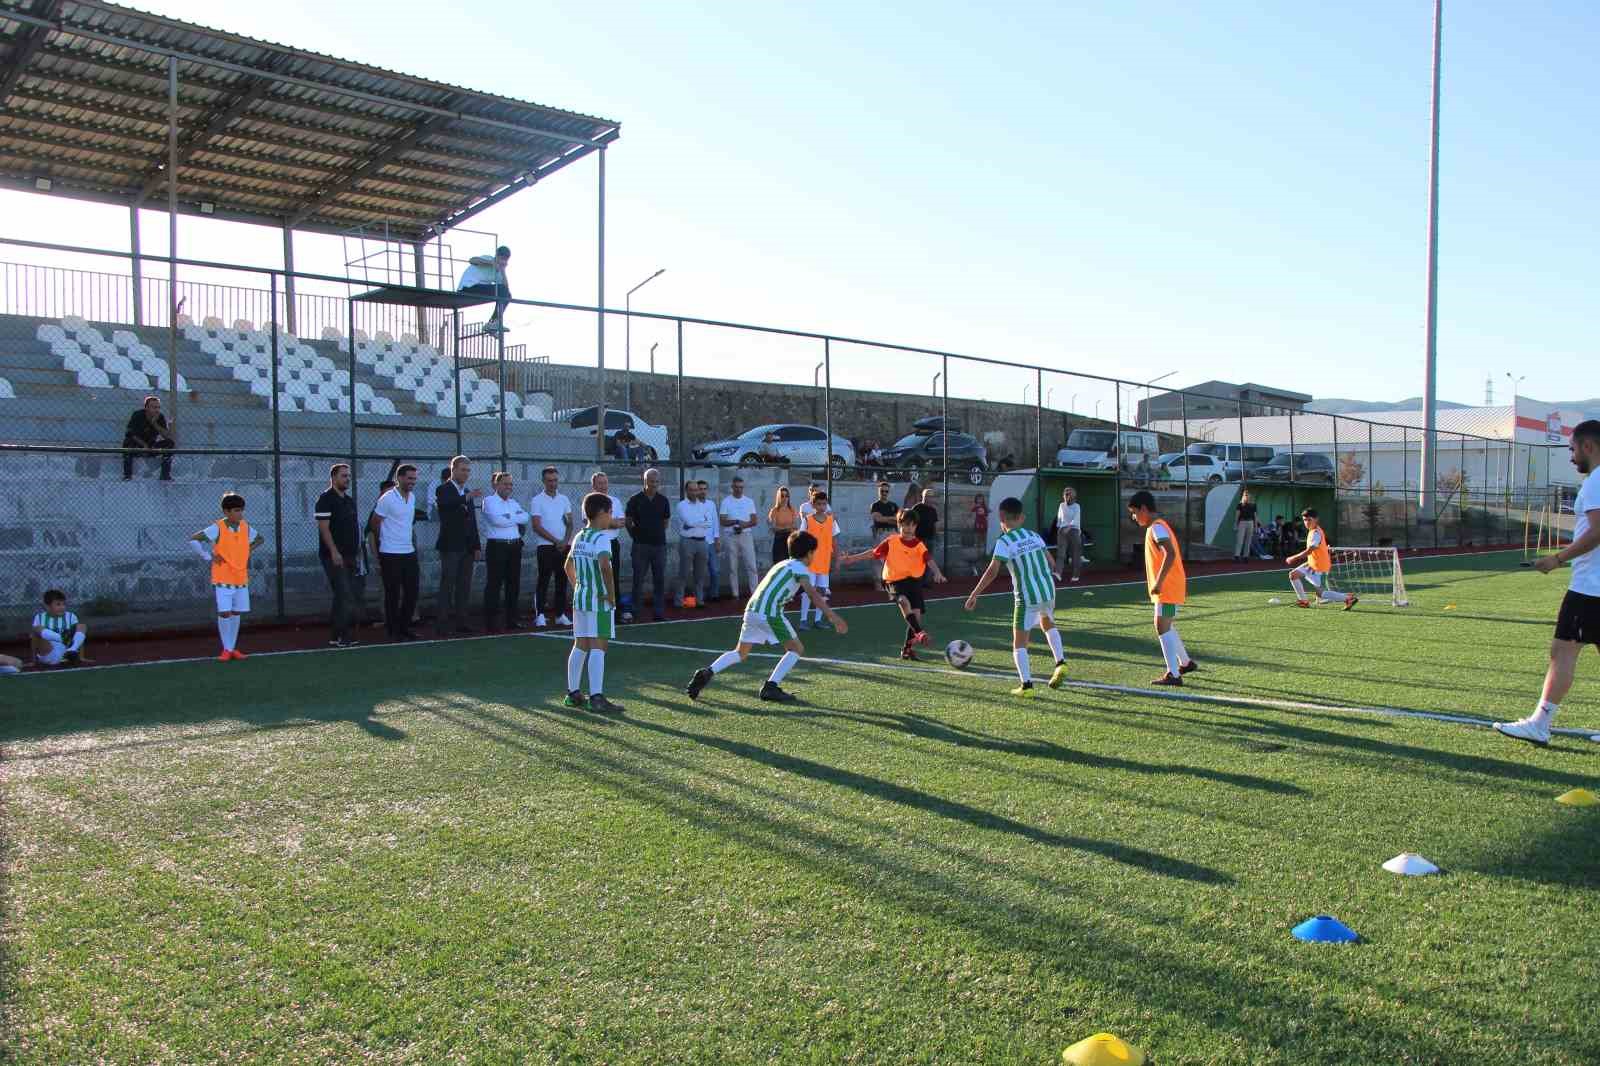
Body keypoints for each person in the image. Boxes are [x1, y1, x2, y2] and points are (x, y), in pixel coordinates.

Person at [1496, 419, 1600, 746]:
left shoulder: (1596, 482)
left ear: (1588, 447)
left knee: (1563, 651)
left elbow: (1598, 531)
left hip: (1591, 587)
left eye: (1572, 449)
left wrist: (1557, 559)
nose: (1571, 457)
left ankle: (1540, 723)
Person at [685, 531, 849, 704]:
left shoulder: (781, 565)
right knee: (796, 649)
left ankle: (707, 672)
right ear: (809, 553)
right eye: (813, 553)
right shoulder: (801, 569)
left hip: (752, 610)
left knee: (740, 653)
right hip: (769, 613)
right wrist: (833, 617)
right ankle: (771, 687)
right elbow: (813, 594)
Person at [965, 497, 1066, 696]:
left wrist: (974, 594)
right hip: (1048, 590)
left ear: (1001, 517)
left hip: (1026, 597)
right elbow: (1052, 563)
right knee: (1048, 623)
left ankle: (1026, 685)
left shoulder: (1004, 541)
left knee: (1019, 642)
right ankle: (1061, 662)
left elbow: (992, 572)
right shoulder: (1034, 535)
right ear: (1021, 517)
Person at [841, 509, 947, 660]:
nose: (907, 528)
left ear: (916, 527)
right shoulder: (892, 541)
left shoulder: (919, 545)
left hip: (914, 582)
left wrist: (937, 573)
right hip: (894, 580)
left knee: (916, 615)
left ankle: (907, 650)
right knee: (903, 601)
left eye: (911, 525)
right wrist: (852, 558)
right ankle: (920, 632)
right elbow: (873, 553)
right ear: (899, 525)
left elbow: (929, 560)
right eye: (904, 525)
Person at [1128, 490, 1198, 686]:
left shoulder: (1156, 528)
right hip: (1170, 587)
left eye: (1134, 512)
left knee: (1161, 625)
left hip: (1168, 588)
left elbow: (1170, 554)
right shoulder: (1158, 527)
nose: (1134, 518)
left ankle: (1173, 674)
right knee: (1166, 625)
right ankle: (1185, 663)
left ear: (1144, 509)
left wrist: (1158, 581)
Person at [563, 493, 624, 713]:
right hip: (599, 601)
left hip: (581, 599)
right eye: (610, 513)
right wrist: (611, 595)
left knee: (580, 645)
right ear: (601, 513)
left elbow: (567, 566)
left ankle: (573, 693)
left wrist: (579, 586)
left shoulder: (580, 535)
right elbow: (606, 567)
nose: (612, 517)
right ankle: (596, 697)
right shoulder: (601, 538)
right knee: (599, 646)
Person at [189, 491, 264, 661]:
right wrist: (208, 556)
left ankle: (231, 648)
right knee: (224, 612)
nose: (240, 514)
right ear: (226, 512)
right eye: (236, 510)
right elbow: (194, 539)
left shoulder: (245, 527)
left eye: (241, 510)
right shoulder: (218, 527)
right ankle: (226, 649)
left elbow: (260, 539)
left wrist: (248, 549)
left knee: (236, 612)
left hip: (240, 577)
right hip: (223, 577)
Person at [315, 463, 365, 648]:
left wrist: (358, 550)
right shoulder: (325, 499)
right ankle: (345, 635)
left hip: (351, 555)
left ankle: (335, 635)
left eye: (349, 476)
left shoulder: (349, 500)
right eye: (344, 476)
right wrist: (334, 552)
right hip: (334, 556)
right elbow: (324, 529)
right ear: (334, 477)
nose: (347, 479)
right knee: (345, 594)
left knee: (343, 595)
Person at [433, 455, 483, 636]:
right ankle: (442, 624)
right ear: (453, 470)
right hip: (450, 546)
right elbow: (446, 506)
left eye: (468, 470)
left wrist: (476, 545)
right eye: (463, 470)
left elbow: (472, 521)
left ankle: (462, 622)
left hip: (467, 547)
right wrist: (465, 497)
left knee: (464, 585)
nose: (466, 473)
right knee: (448, 584)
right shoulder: (443, 489)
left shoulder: (466, 491)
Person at [372, 465, 421, 641]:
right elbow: (375, 522)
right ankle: (392, 631)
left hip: (408, 552)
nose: (412, 482)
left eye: (414, 479)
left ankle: (404, 627)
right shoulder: (387, 498)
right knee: (392, 594)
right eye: (409, 478)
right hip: (390, 553)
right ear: (399, 478)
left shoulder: (413, 497)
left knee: (412, 592)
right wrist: (384, 542)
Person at [481, 471, 529, 632]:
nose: (509, 487)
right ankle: (491, 623)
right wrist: (513, 518)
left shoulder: (514, 502)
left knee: (513, 584)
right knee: (494, 584)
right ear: (495, 484)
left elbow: (526, 517)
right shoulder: (488, 501)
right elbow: (496, 521)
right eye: (505, 484)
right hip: (497, 547)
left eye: (510, 484)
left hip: (515, 546)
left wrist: (509, 517)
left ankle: (511, 620)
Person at [528, 466, 573, 627]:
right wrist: (556, 541)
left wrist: (565, 541)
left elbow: (570, 523)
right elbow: (536, 526)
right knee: (544, 580)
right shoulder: (536, 500)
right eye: (549, 481)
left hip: (563, 547)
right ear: (543, 481)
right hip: (545, 546)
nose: (553, 484)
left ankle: (560, 614)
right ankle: (540, 614)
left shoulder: (564, 499)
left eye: (555, 480)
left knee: (562, 581)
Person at [625, 468, 672, 622]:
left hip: (659, 547)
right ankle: (636, 613)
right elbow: (628, 522)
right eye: (651, 481)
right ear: (645, 482)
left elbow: (665, 522)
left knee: (659, 580)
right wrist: (636, 537)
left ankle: (658, 613)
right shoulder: (634, 499)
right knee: (638, 580)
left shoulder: (663, 500)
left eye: (657, 481)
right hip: (640, 547)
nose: (654, 484)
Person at [1285, 509, 1357, 610]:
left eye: (1309, 520)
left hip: (1319, 566)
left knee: (1320, 593)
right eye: (1305, 520)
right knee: (1293, 575)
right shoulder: (1313, 531)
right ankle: (1304, 601)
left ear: (1316, 519)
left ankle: (1348, 598)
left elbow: (1310, 550)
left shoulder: (1316, 533)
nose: (1307, 522)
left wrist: (1293, 558)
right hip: (1312, 564)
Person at [798, 492, 842, 630]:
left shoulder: (831, 520)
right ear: (813, 504)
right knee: (807, 591)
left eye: (824, 504)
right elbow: (801, 539)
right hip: (809, 562)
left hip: (824, 562)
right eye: (819, 504)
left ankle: (818, 620)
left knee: (822, 592)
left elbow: (834, 541)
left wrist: (837, 559)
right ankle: (803, 620)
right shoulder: (807, 520)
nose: (822, 507)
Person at [673, 479, 715, 607]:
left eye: (696, 489)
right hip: (687, 542)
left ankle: (699, 601)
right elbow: (689, 521)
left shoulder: (704, 506)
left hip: (702, 542)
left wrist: (693, 523)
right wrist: (699, 521)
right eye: (691, 489)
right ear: (686, 491)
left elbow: (709, 523)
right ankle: (679, 602)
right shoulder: (681, 505)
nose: (694, 492)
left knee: (700, 574)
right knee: (684, 573)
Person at [719, 475, 761, 600]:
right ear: (732, 487)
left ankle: (755, 593)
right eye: (736, 487)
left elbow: (754, 521)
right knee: (733, 566)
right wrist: (735, 522)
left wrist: (743, 525)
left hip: (746, 535)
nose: (738, 489)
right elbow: (722, 521)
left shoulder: (749, 501)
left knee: (752, 565)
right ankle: (735, 594)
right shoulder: (726, 501)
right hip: (730, 536)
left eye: (741, 487)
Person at [458, 245, 511, 334]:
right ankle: (493, 322)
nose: (502, 261)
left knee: (507, 294)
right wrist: (491, 263)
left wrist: (502, 270)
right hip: (468, 287)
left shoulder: (498, 271)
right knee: (503, 290)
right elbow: (472, 260)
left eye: (505, 259)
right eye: (501, 258)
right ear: (497, 256)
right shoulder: (488, 258)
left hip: (479, 289)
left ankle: (493, 322)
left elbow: (506, 288)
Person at [30, 589, 89, 667]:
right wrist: (34, 661)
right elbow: (34, 640)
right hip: (49, 653)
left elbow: (79, 637)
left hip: (66, 652)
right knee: (36, 630)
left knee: (81, 626)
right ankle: (62, 638)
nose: (62, 607)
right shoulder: (39, 617)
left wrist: (81, 657)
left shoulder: (71, 616)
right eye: (58, 604)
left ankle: (72, 650)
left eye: (64, 604)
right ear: (47, 606)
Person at [122, 395, 175, 481]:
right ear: (146, 407)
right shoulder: (138, 415)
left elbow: (166, 435)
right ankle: (127, 475)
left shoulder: (160, 417)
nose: (156, 410)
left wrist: (154, 423)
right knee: (127, 442)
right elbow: (130, 433)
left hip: (151, 445)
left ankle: (165, 475)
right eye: (154, 407)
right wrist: (144, 445)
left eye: (158, 407)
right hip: (137, 444)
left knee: (170, 443)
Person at [591, 471, 627, 593]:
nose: (603, 486)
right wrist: (613, 522)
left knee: (613, 576)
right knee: (597, 578)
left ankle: (615, 610)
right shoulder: (589, 502)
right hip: (595, 544)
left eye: (605, 483)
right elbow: (592, 523)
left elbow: (622, 522)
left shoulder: (615, 501)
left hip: (612, 544)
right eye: (600, 483)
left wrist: (603, 522)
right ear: (594, 486)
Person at [869, 481, 900, 591]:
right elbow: (877, 518)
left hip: (893, 533)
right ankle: (878, 583)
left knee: (892, 559)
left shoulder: (893, 505)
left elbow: (898, 520)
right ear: (878, 491)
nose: (884, 493)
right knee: (878, 558)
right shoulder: (875, 505)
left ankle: (890, 582)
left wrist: (886, 518)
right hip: (880, 533)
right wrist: (891, 518)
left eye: (886, 491)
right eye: (882, 491)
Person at [1055, 485, 1083, 583]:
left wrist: (1069, 527)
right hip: (1062, 531)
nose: (1067, 496)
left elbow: (1076, 519)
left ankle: (1076, 575)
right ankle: (1057, 573)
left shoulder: (1077, 506)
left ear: (1073, 496)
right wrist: (1059, 528)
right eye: (1065, 494)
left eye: (1069, 494)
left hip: (1074, 530)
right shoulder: (1061, 505)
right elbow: (1059, 518)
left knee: (1075, 554)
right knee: (1061, 554)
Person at [701, 479, 723, 601]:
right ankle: (700, 596)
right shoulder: (693, 505)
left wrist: (717, 539)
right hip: (698, 543)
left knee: (714, 570)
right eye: (700, 489)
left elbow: (715, 522)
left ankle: (714, 594)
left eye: (705, 489)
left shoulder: (711, 504)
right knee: (700, 572)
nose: (702, 491)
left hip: (711, 543)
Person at [911, 488, 941, 573]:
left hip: (930, 538)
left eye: (931, 496)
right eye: (928, 496)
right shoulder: (917, 508)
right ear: (923, 496)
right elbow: (911, 522)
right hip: (919, 539)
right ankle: (917, 580)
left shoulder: (933, 510)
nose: (930, 498)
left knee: (929, 560)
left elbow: (935, 524)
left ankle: (926, 582)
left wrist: (937, 536)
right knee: (918, 559)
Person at [767, 486, 798, 567]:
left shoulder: (792, 510)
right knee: (779, 565)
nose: (785, 498)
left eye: (786, 495)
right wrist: (787, 528)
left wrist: (783, 529)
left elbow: (795, 527)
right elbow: (773, 529)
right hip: (779, 540)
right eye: (782, 496)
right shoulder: (774, 510)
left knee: (790, 565)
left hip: (790, 540)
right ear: (778, 497)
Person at [1234, 490, 1259, 563]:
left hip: (1250, 522)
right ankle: (1237, 556)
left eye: (1248, 495)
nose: (1247, 497)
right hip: (1242, 522)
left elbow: (1255, 516)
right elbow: (1237, 515)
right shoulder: (1240, 504)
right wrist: (1235, 524)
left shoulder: (1253, 505)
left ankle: (1245, 556)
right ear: (1243, 496)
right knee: (1240, 540)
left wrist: (1256, 526)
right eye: (1246, 495)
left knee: (1248, 541)